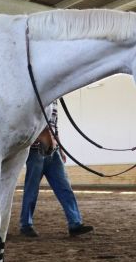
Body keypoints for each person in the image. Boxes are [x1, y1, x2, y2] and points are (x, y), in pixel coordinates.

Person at [19, 101, 94, 237]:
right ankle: (26, 224)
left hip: (54, 151)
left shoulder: (55, 102)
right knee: (31, 189)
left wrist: (61, 149)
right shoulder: (36, 98)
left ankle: (75, 223)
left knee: (65, 187)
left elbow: (55, 127)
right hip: (36, 151)